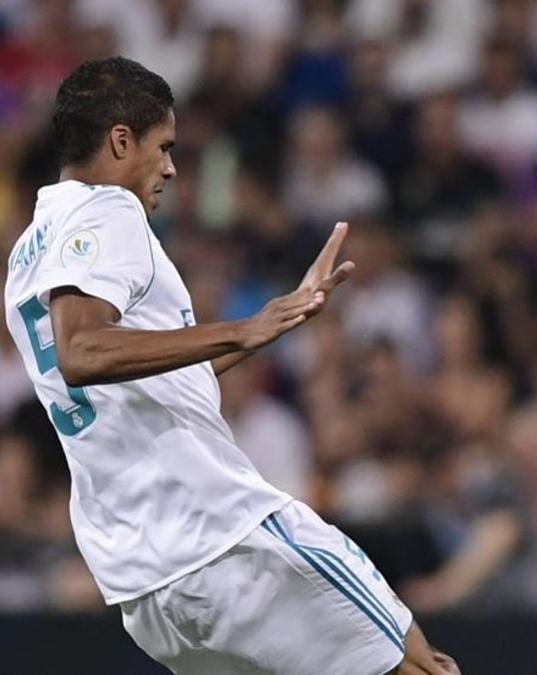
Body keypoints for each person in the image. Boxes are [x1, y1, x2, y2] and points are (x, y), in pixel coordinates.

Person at [3, 57, 458, 675]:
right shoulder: (107, 211)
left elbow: (135, 379)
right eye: (163, 146)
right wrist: (244, 326)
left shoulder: (30, 253)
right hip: (221, 536)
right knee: (418, 665)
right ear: (119, 140)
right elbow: (83, 352)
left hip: (142, 582)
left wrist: (274, 323)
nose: (168, 167)